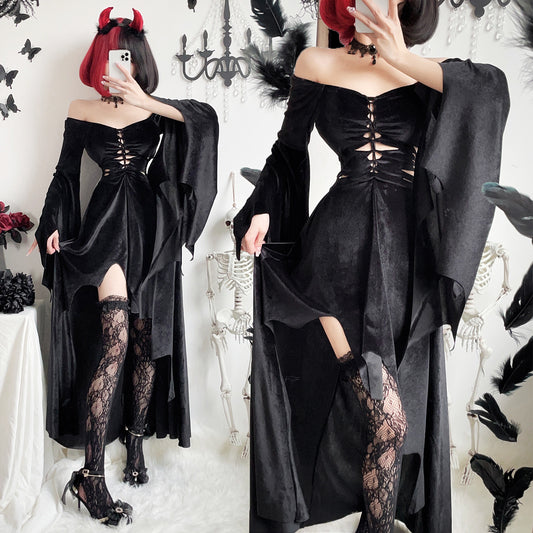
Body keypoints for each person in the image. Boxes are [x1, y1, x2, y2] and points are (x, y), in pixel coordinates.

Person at [233, 0, 509, 532]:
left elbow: (490, 91)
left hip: (408, 266)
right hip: (334, 254)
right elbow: (288, 151)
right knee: (382, 414)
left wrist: (401, 57)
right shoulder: (317, 62)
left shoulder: (429, 72)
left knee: (394, 421)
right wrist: (264, 205)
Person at [31, 7, 218, 526]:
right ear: (99, 59)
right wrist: (51, 223)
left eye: (130, 57)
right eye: (114, 56)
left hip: (151, 232)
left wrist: (147, 101)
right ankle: (90, 477)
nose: (122, 65)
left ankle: (135, 440)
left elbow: (203, 122)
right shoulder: (81, 109)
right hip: (105, 229)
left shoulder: (156, 111)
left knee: (144, 341)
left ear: (140, 61)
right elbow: (65, 173)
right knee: (114, 340)